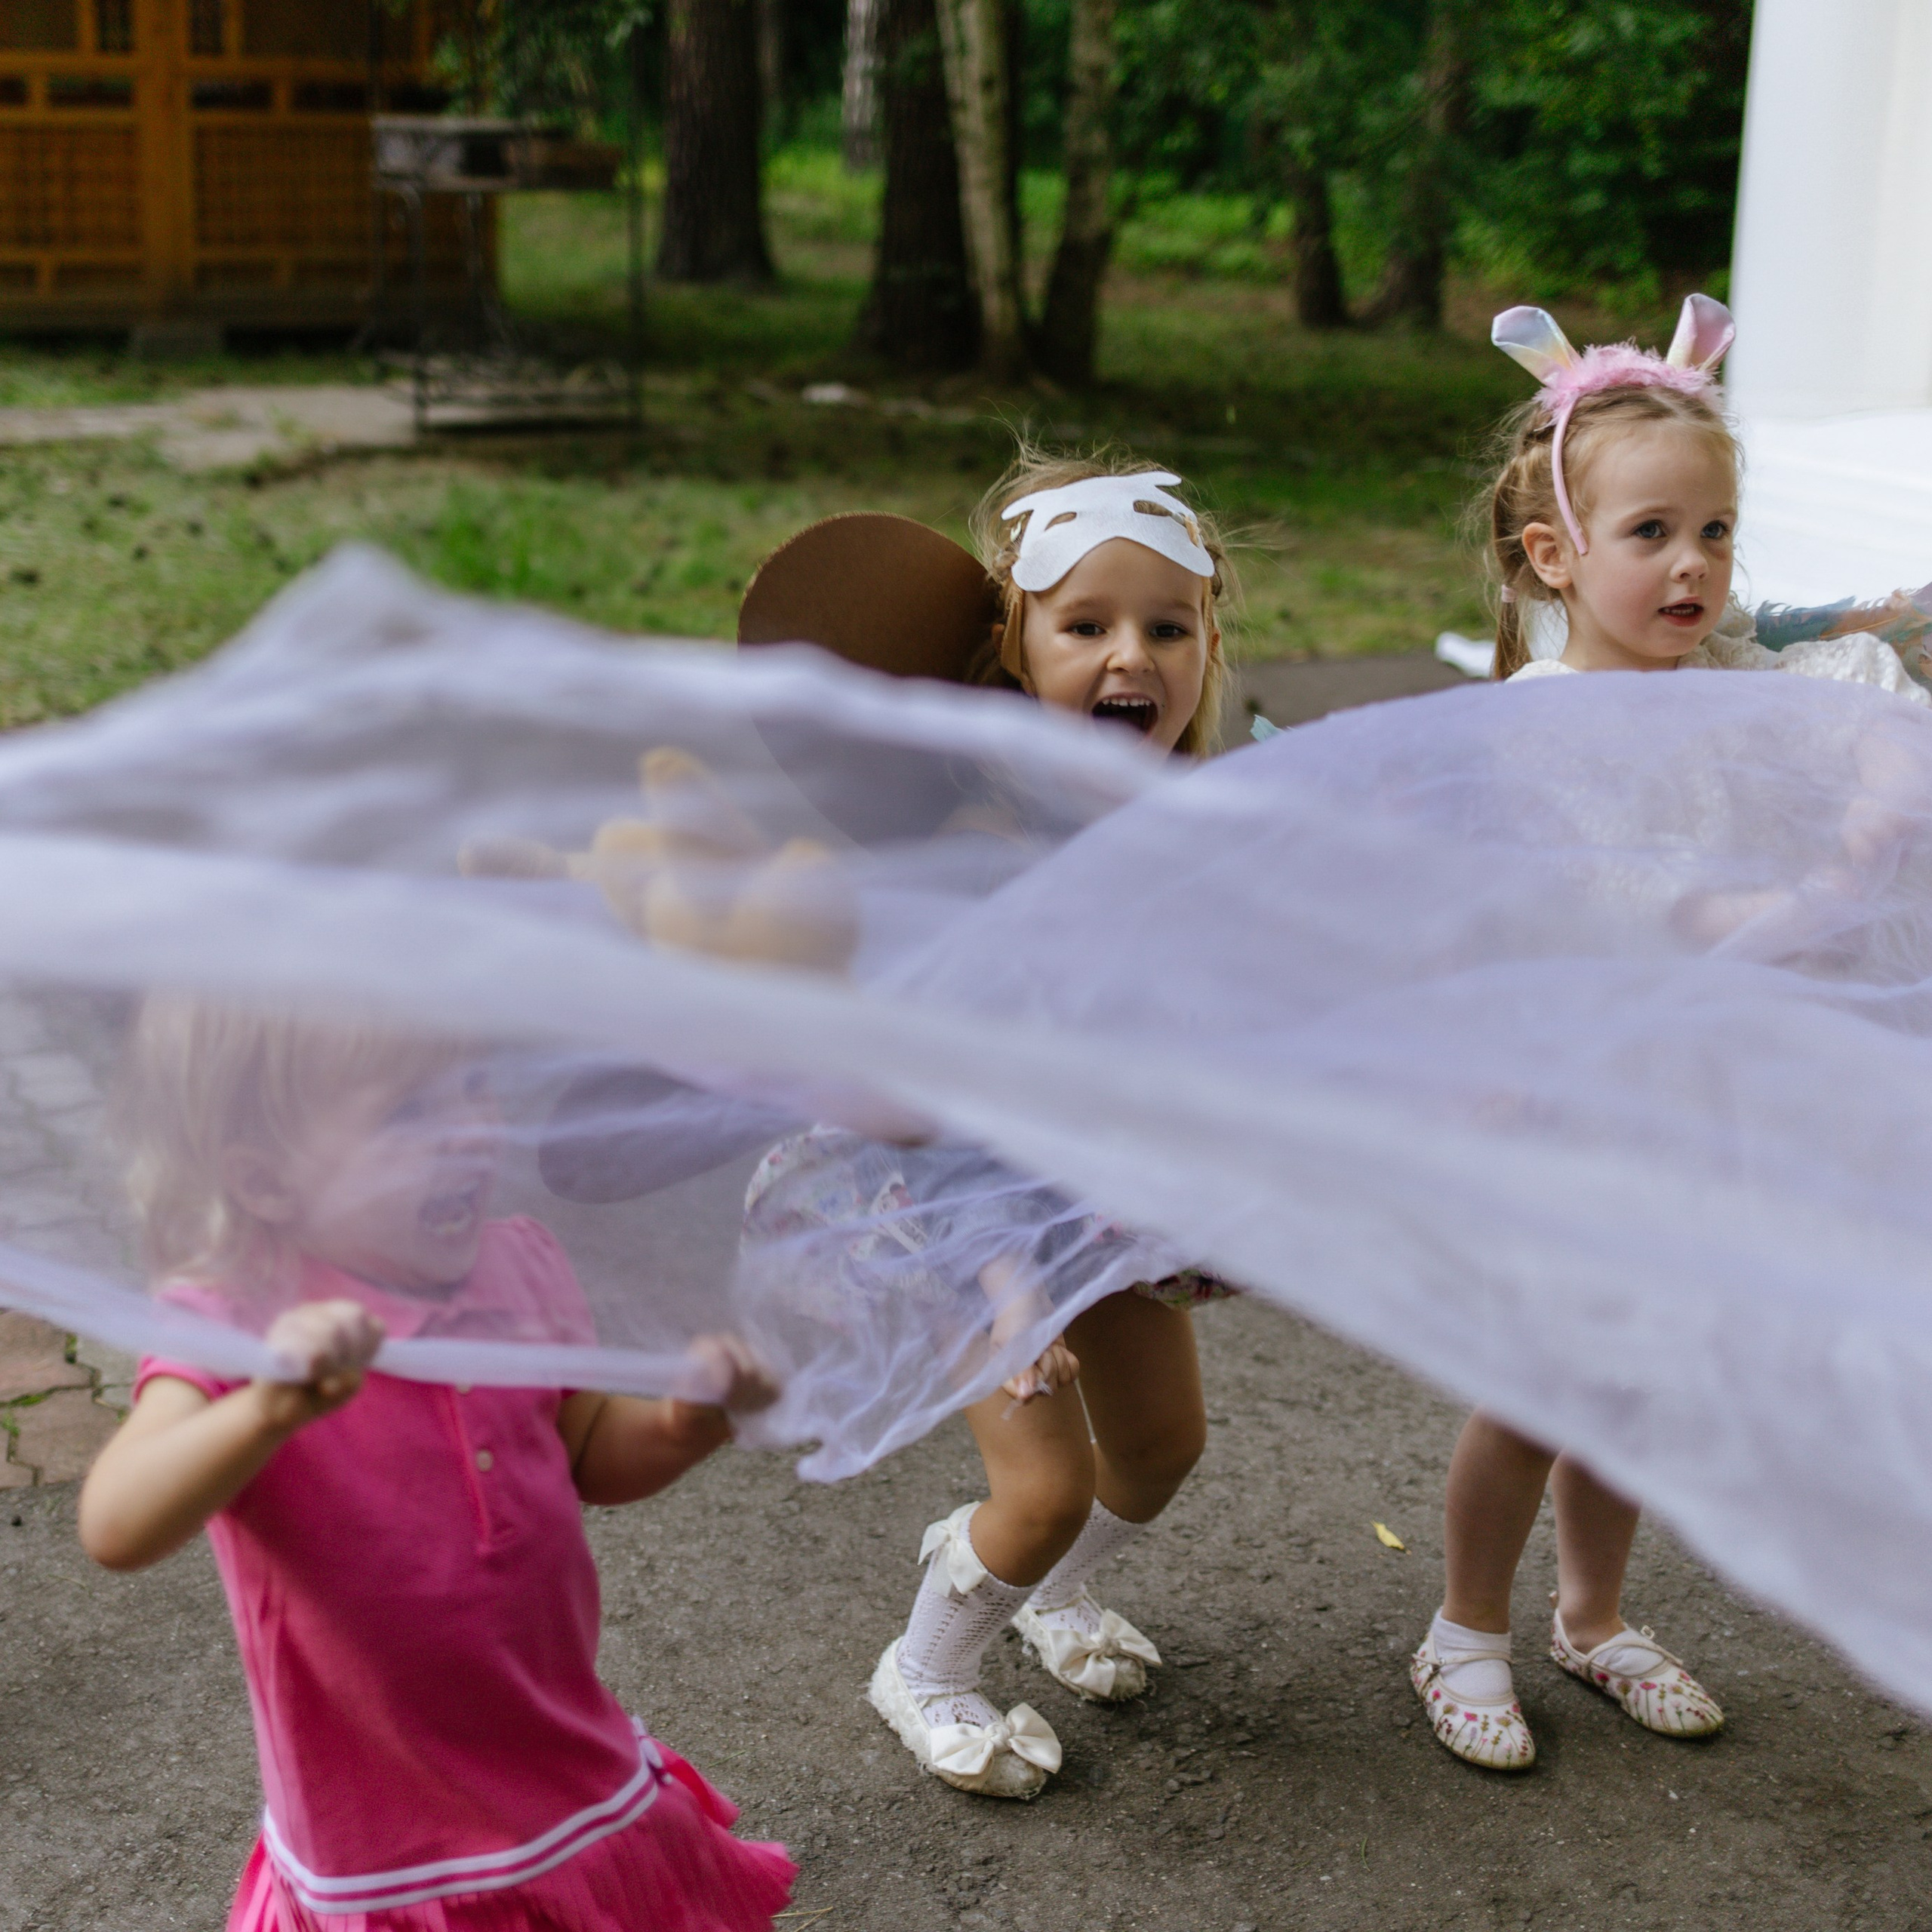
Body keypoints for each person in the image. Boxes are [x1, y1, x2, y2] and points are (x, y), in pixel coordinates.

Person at [1412, 295, 1927, 1772]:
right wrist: (1774, 901)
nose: (1691, 563)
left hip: (1690, 1102)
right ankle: (1461, 1625)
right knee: (1531, 1383)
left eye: (1713, 530)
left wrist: (1877, 752)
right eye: (1648, 532)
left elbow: (1847, 715)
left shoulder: (1728, 685)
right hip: (1561, 1098)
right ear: (1551, 554)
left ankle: (1590, 1614)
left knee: (1633, 1376)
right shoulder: (1539, 723)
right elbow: (1611, 907)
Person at [78, 995, 796, 1930]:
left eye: (472, 1088)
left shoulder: (519, 1269)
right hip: (387, 1844)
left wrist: (679, 1426)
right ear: (267, 1182)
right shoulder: (239, 1323)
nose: (466, 1134)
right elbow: (116, 1523)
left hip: (563, 1769)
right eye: (408, 1113)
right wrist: (264, 1409)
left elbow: (582, 1450)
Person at [803, 452, 1241, 1799]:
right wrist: (1007, 1291)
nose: (1135, 656)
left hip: (1098, 1191)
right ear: (1015, 642)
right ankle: (926, 1668)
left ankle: (1035, 1584)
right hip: (963, 1204)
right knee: (1042, 1484)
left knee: (1162, 1448)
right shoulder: (978, 849)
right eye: (1088, 625)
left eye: (1169, 627)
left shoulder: (1186, 814)